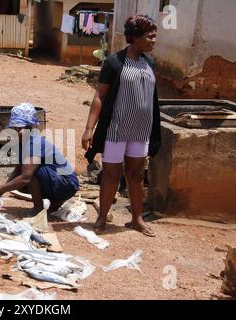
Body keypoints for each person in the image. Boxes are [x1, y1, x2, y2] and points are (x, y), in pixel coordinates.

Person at [81, 15, 161, 237]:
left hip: (141, 130)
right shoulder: (115, 62)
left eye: (155, 37)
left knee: (136, 176)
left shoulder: (150, 63)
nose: (154, 41)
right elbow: (100, 95)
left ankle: (137, 219)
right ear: (135, 37)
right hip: (116, 129)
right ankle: (101, 217)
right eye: (150, 37)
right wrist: (89, 128)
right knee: (111, 175)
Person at [0, 103, 79, 214]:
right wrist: (0, 193)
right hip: (55, 179)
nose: (16, 133)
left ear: (29, 128)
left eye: (19, 129)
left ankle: (39, 208)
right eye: (14, 129)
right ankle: (55, 201)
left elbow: (25, 178)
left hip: (67, 184)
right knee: (22, 176)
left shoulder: (35, 143)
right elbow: (19, 168)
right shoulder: (20, 142)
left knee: (29, 175)